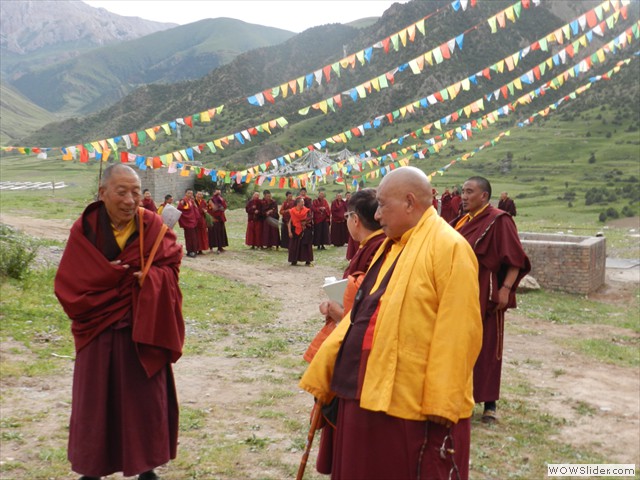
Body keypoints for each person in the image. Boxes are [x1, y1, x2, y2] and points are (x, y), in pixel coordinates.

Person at [300, 166, 482, 479]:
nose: (379, 216)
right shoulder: (392, 245)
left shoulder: (449, 247)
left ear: (410, 202)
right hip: (365, 389)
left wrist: (443, 400)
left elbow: (459, 330)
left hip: (405, 402)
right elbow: (366, 312)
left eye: (383, 206)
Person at [54, 164, 184, 480]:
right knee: (96, 402)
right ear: (103, 193)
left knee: (143, 402)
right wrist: (108, 276)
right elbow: (71, 281)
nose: (129, 200)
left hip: (141, 328)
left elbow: (171, 269)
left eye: (136, 192)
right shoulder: (85, 228)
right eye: (121, 191)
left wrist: (150, 279)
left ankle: (145, 465)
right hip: (97, 330)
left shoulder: (152, 225)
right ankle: (92, 467)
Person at [305, 188, 386, 475]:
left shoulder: (379, 250)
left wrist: (338, 312)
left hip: (357, 345)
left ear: (354, 220)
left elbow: (367, 308)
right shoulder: (375, 246)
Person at [453, 176, 530, 424]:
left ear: (484, 196)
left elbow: (516, 260)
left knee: (488, 344)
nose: (463, 196)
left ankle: (489, 403)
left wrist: (506, 289)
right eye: (462, 191)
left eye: (469, 192)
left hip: (486, 292)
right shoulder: (462, 220)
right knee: (459, 344)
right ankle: (459, 396)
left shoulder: (499, 220)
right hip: (458, 292)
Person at [288, 197, 313, 266]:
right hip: (295, 229)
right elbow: (289, 222)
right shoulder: (292, 211)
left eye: (303, 202)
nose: (303, 204)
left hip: (305, 229)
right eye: (302, 202)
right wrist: (289, 231)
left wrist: (305, 222)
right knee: (294, 245)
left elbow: (310, 218)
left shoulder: (306, 210)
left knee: (306, 245)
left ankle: (307, 260)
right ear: (298, 203)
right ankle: (294, 260)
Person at [177, 189, 199, 258]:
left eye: (191, 193)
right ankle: (190, 251)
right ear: (185, 193)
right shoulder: (183, 201)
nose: (190, 195)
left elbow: (195, 209)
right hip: (188, 221)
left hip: (193, 221)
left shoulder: (191, 201)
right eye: (188, 193)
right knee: (189, 237)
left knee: (194, 237)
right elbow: (180, 210)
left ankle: (194, 250)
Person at [207, 189, 228, 253]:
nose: (218, 192)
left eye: (219, 191)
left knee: (220, 232)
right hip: (213, 218)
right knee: (212, 233)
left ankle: (220, 247)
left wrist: (221, 207)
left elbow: (224, 206)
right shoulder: (211, 200)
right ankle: (211, 247)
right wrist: (218, 208)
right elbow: (212, 208)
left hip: (220, 218)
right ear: (213, 193)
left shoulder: (221, 199)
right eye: (216, 191)